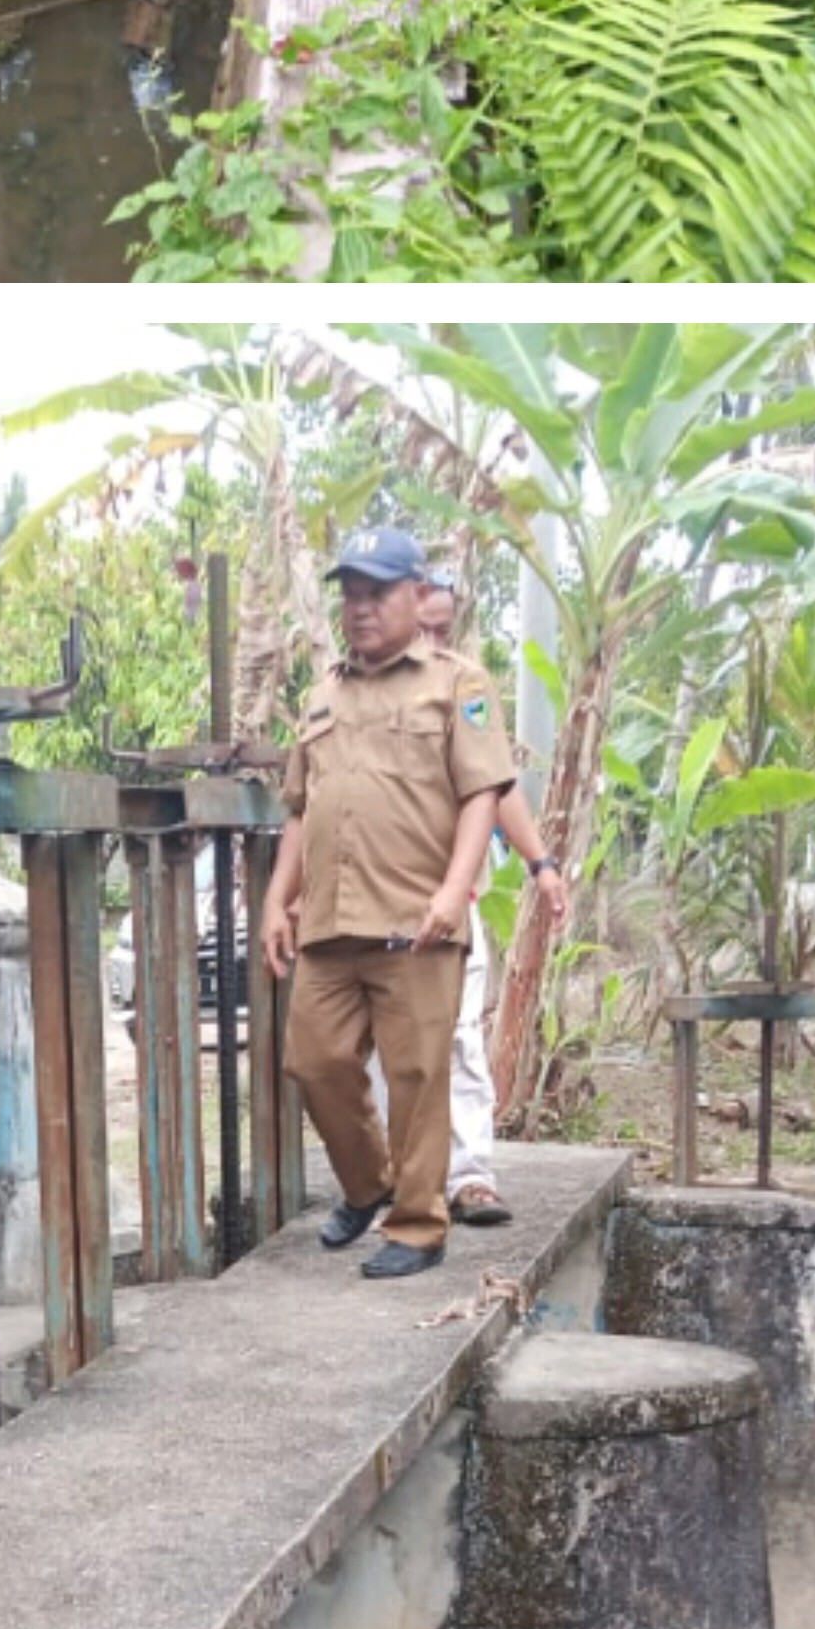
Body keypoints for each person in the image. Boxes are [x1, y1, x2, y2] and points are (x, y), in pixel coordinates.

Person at [258, 527, 563, 1279]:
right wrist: (276, 901)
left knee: (419, 1076)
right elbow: (301, 807)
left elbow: (483, 795)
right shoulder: (323, 694)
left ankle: (420, 1226)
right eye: (350, 595)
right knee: (314, 1060)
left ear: (414, 597)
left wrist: (457, 891)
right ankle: (370, 1184)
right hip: (331, 919)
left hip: (417, 920)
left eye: (377, 594)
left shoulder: (456, 686)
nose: (360, 610)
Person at [418, 573, 516, 1226]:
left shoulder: (467, 688)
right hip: (375, 900)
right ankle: (398, 1182)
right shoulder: (353, 691)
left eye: (443, 628)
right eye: (423, 624)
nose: (433, 639)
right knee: (376, 1048)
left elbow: (497, 785)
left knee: (457, 1039)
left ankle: (470, 1176)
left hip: (454, 896)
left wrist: (540, 860)